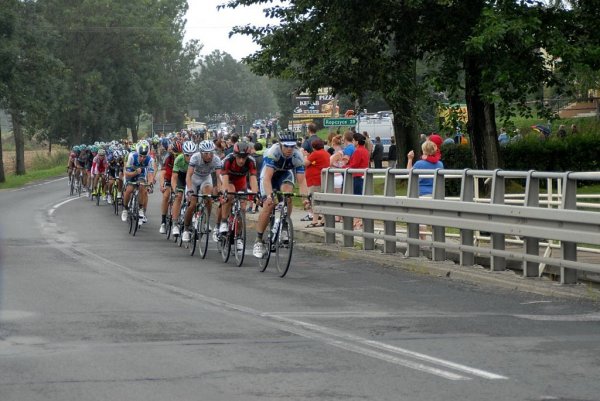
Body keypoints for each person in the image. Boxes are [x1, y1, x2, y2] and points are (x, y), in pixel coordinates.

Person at [253, 131, 309, 259]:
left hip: (284, 174)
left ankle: (284, 225)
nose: (289, 149)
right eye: (286, 146)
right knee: (269, 204)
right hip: (269, 176)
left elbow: (302, 181)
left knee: (287, 195)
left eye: (292, 146)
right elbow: (267, 178)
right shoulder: (273, 152)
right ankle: (259, 239)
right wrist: (268, 196)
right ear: (280, 144)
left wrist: (305, 199)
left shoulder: (298, 155)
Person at [218, 142, 259, 251]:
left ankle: (238, 236)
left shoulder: (251, 161)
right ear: (235, 155)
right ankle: (223, 222)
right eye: (239, 157)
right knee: (230, 194)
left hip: (241, 181)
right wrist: (225, 193)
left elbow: (253, 179)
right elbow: (225, 181)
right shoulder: (228, 160)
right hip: (228, 178)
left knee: (243, 209)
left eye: (244, 158)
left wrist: (255, 194)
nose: (241, 160)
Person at [182, 140, 223, 242]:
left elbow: (219, 176)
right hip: (194, 179)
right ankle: (186, 229)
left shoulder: (216, 159)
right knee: (192, 204)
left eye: (211, 153)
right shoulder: (195, 157)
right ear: (201, 153)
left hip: (206, 178)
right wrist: (190, 190)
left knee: (208, 197)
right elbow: (188, 176)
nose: (209, 156)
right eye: (206, 153)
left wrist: (221, 189)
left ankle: (206, 221)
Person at [407, 140, 444, 241]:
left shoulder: (419, 164)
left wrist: (410, 159)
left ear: (424, 150)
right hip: (436, 194)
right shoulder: (440, 164)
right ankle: (437, 242)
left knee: (422, 219)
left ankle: (423, 241)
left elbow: (409, 173)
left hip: (423, 194)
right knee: (435, 219)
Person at [121, 141, 155, 223]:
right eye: (140, 156)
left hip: (141, 175)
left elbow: (150, 174)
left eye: (144, 156)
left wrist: (150, 183)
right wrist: (135, 172)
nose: (142, 158)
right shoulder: (132, 156)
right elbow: (126, 173)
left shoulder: (150, 160)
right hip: (131, 173)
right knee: (129, 190)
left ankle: (140, 208)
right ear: (137, 153)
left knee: (142, 187)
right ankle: (125, 209)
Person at [170, 141, 196, 237]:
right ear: (183, 154)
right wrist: (175, 189)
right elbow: (174, 177)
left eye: (192, 155)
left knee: (195, 196)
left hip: (192, 176)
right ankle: (175, 224)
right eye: (187, 155)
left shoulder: (197, 159)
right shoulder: (179, 159)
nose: (190, 158)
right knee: (179, 196)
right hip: (181, 176)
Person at [303, 138, 330, 228]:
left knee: (315, 200)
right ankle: (323, 220)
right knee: (322, 200)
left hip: (315, 180)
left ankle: (314, 221)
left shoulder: (315, 153)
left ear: (313, 147)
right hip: (322, 179)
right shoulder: (325, 153)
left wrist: (305, 155)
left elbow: (305, 163)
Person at [346, 133, 370, 229]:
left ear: (356, 141)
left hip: (357, 176)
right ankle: (359, 220)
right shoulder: (365, 151)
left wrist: (344, 166)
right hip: (363, 176)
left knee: (356, 199)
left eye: (353, 141)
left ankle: (357, 221)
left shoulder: (357, 151)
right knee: (361, 198)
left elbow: (354, 165)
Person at [158, 141, 180, 234]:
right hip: (168, 177)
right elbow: (162, 174)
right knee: (166, 195)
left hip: (179, 178)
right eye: (176, 154)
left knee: (179, 196)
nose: (178, 156)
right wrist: (162, 185)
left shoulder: (184, 159)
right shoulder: (168, 158)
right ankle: (163, 222)